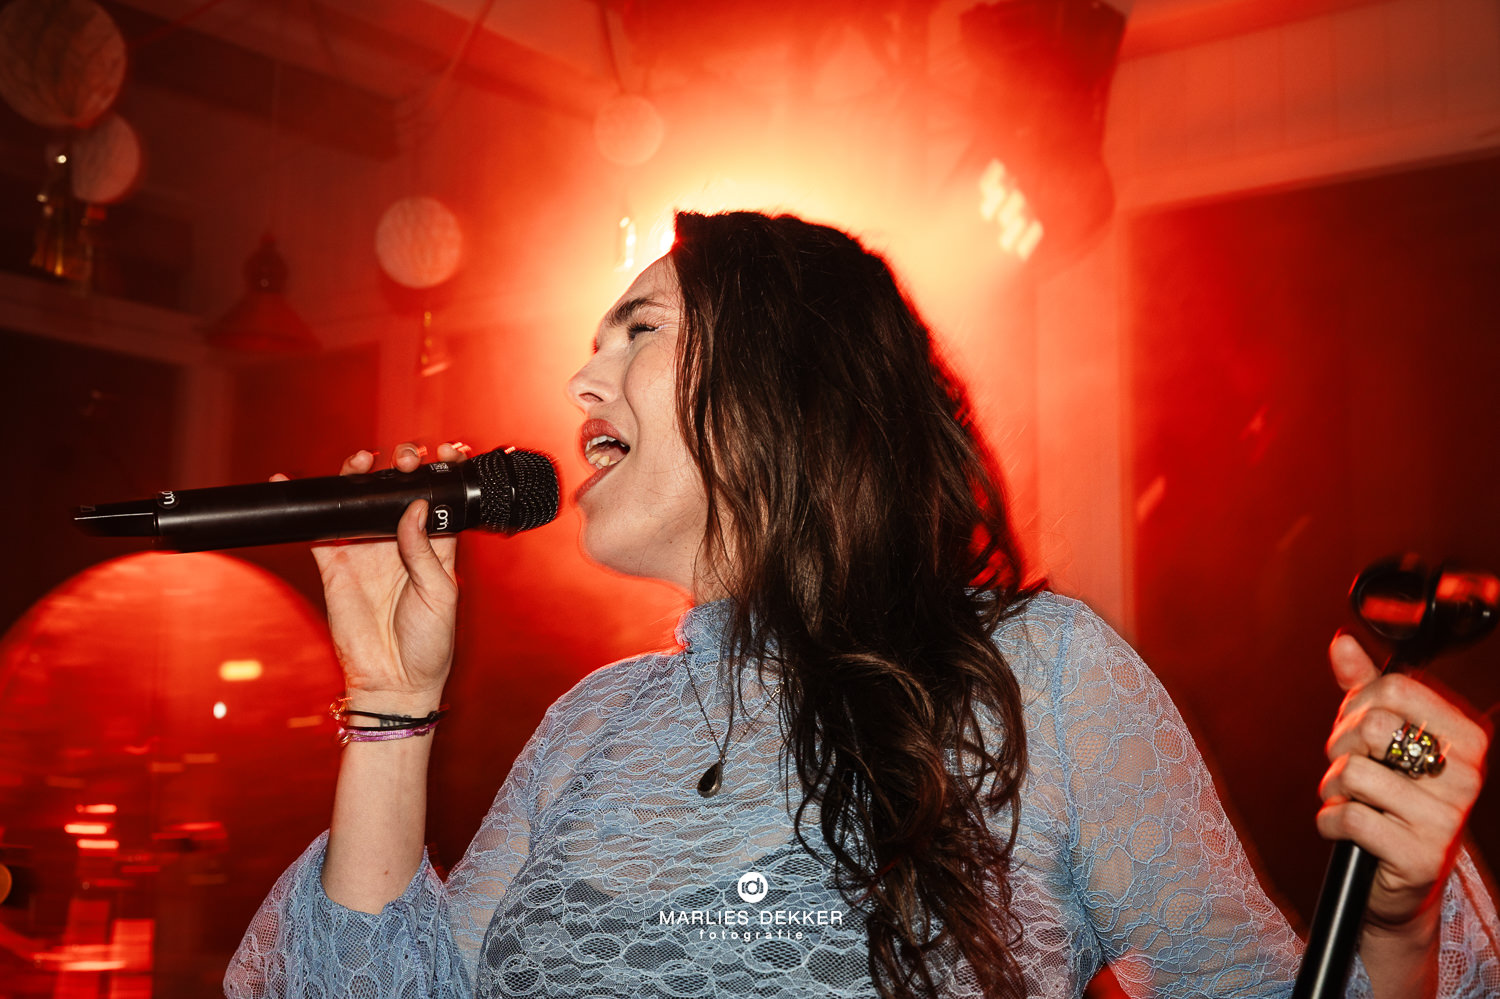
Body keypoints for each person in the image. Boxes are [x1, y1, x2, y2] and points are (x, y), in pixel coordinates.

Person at [225, 211, 1498, 998]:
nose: (578, 374)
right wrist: (390, 707)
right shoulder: (587, 730)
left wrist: (1394, 915)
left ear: (788, 380)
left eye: (637, 332)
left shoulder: (1038, 675)